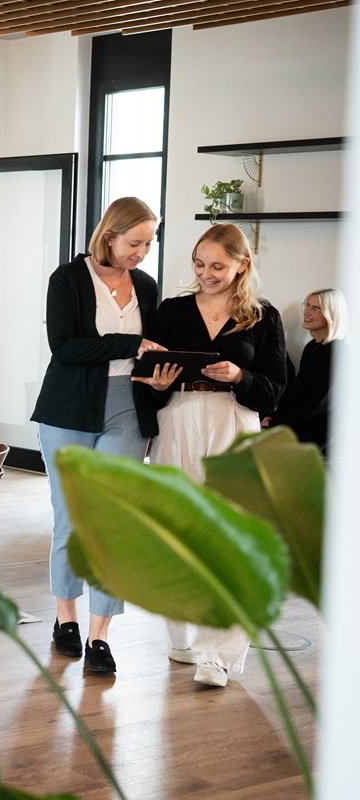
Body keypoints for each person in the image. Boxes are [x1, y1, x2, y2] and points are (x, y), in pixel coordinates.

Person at [134, 222, 287, 688]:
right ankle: (180, 636)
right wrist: (157, 385)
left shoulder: (263, 317)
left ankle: (218, 655)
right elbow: (146, 381)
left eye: (217, 266)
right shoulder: (172, 310)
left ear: (242, 265)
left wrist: (240, 376)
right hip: (177, 418)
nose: (206, 274)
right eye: (199, 264)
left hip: (233, 422)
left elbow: (275, 390)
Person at [29, 197, 161, 676]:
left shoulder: (145, 285)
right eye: (135, 243)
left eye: (149, 243)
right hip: (69, 407)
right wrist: (131, 344)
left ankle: (99, 635)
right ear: (110, 235)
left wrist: (158, 374)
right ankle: (66, 617)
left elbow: (151, 350)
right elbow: (64, 347)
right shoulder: (67, 279)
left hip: (128, 405)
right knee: (71, 518)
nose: (142, 252)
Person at [264, 288, 348, 452]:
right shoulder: (312, 347)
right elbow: (299, 394)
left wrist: (279, 423)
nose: (307, 312)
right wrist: (275, 418)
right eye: (307, 305)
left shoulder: (337, 350)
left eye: (315, 309)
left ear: (331, 315)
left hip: (321, 431)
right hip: (305, 424)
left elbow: (320, 402)